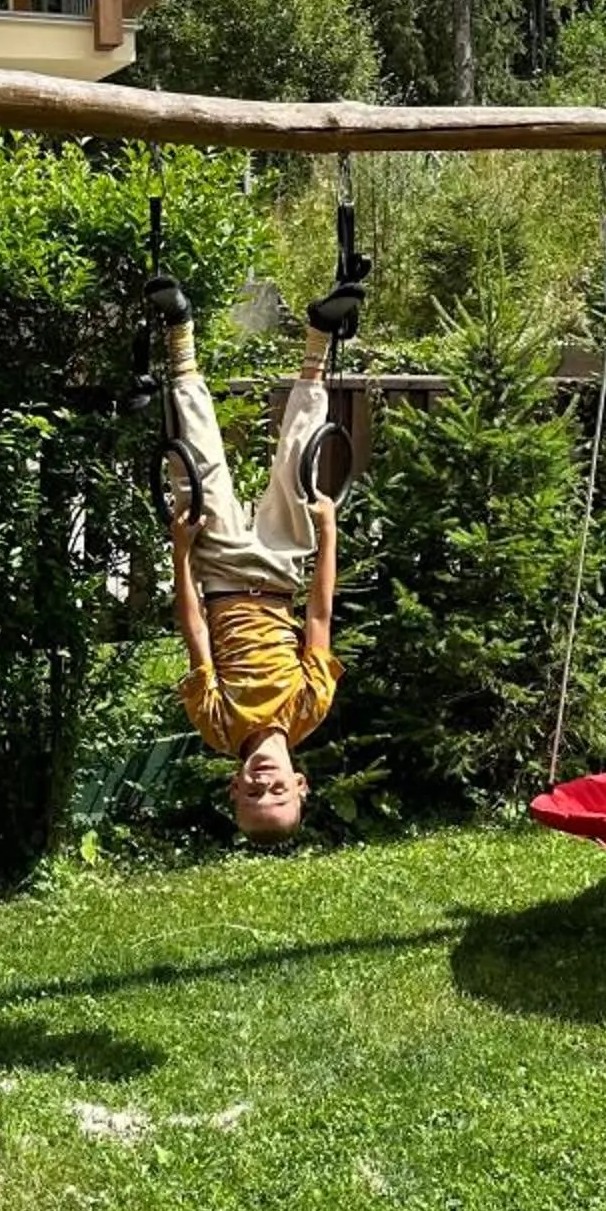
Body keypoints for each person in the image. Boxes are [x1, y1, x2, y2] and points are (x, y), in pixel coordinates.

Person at [150, 257, 364, 844]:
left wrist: (181, 552)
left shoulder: (217, 726)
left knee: (195, 466)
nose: (263, 783)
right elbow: (319, 616)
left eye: (252, 793)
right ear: (301, 783)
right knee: (300, 464)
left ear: (233, 786)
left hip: (219, 571)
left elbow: (194, 629)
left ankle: (179, 332)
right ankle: (319, 335)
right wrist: (328, 532)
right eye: (277, 791)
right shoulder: (308, 708)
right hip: (279, 569)